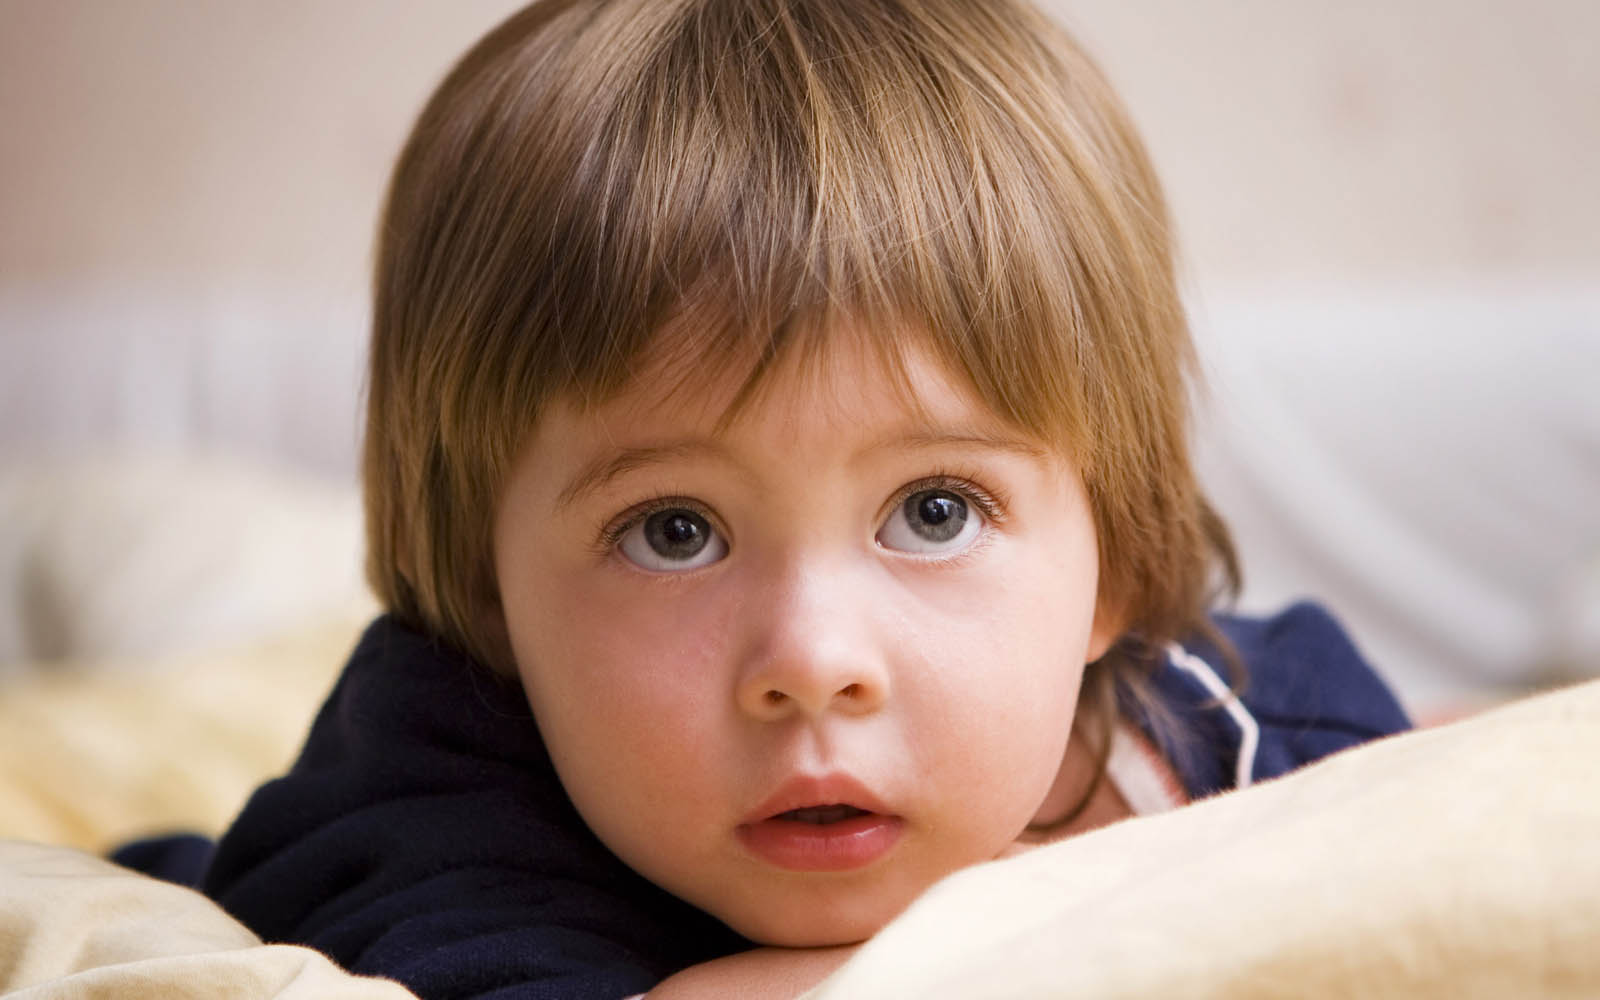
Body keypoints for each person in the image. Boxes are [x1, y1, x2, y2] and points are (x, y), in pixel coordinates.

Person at [196, 1, 1410, 997]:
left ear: (1120, 567)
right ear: (484, 591)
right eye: (675, 532)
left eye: (934, 511)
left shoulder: (1246, 736)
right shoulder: (429, 783)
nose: (813, 661)